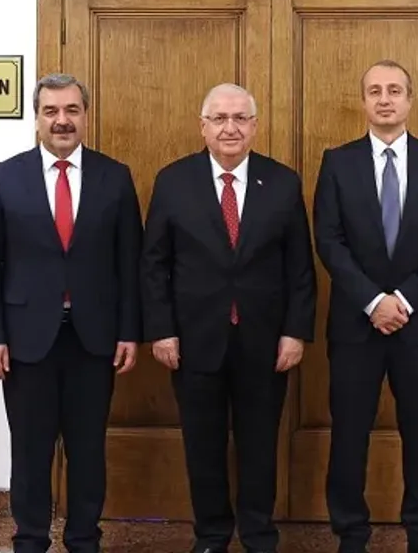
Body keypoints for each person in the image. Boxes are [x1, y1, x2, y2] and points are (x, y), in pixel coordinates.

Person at [140, 83, 316, 553]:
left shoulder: (283, 182)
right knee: (203, 445)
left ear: (255, 126)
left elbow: (300, 267)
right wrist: (161, 330)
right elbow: (154, 264)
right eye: (219, 118)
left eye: (240, 118)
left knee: (260, 445)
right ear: (203, 126)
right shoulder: (173, 181)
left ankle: (258, 534)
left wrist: (295, 332)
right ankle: (212, 535)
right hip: (194, 340)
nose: (230, 128)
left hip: (265, 341)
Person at [0, 73, 143, 553]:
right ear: (37, 118)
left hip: (95, 339)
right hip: (25, 341)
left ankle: (84, 539)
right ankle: (30, 540)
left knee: (88, 450)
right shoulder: (3, 177)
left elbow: (130, 262)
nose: (62, 120)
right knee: (30, 452)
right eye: (51, 111)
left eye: (71, 110)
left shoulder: (115, 176)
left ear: (85, 115)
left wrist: (130, 331)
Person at [313, 60, 418, 553]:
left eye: (395, 90)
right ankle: (350, 534)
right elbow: (328, 240)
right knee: (349, 435)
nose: (385, 99)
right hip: (355, 326)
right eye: (375, 90)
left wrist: (401, 300)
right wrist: (372, 300)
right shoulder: (337, 163)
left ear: (409, 100)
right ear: (363, 101)